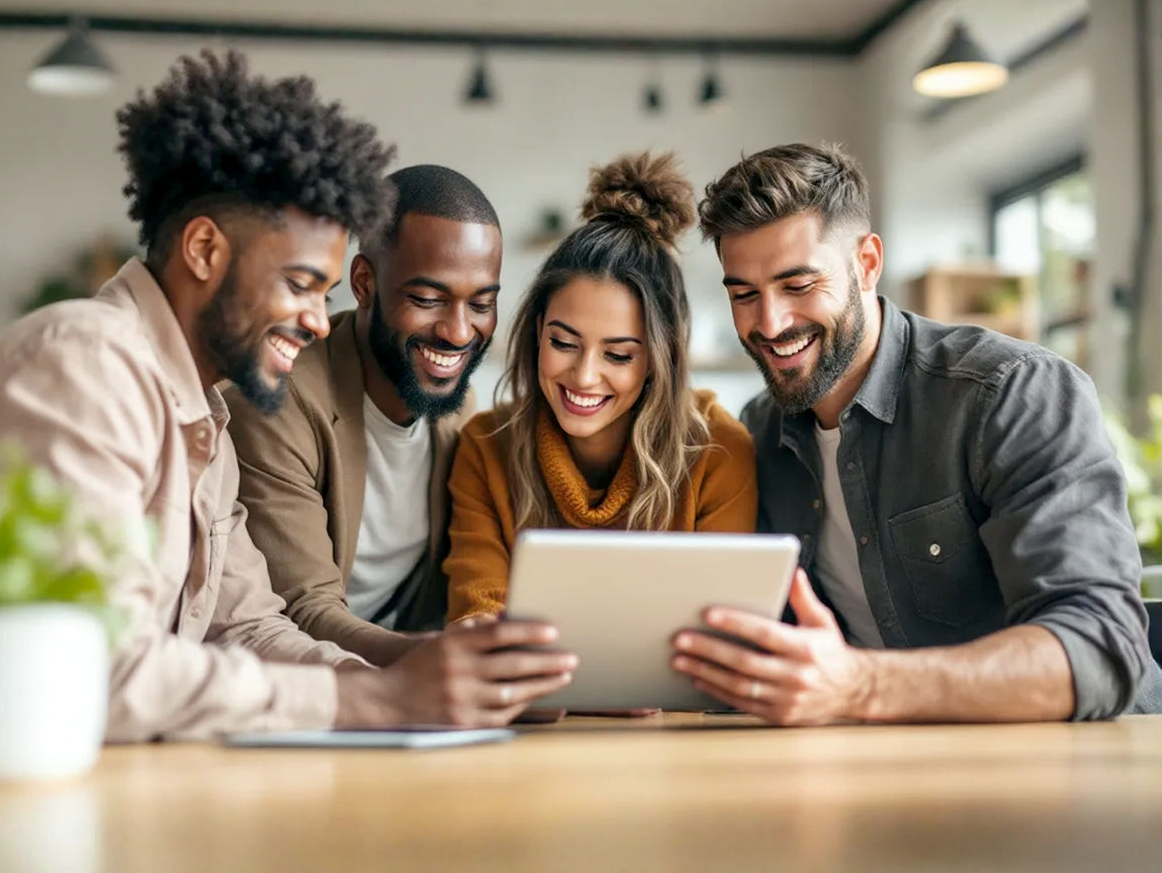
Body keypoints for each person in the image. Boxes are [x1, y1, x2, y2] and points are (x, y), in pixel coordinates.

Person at [0, 51, 576, 767]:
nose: (320, 319)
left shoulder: (202, 410)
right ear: (206, 251)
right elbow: (95, 671)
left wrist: (431, 673)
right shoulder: (82, 362)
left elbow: (247, 626)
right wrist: (374, 697)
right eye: (302, 284)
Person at [671, 141, 1162, 725]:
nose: (771, 323)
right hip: (882, 769)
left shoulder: (1009, 393)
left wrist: (860, 687)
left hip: (1085, 770)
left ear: (867, 264)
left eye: (798, 285)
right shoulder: (756, 434)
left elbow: (1103, 648)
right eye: (744, 295)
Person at [443, 152, 757, 623]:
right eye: (563, 343)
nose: (585, 376)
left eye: (618, 355)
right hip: (528, 696)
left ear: (659, 359)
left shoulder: (719, 451)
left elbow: (723, 631)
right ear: (537, 332)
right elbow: (477, 612)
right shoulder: (486, 448)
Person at [226, 166, 501, 666]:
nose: (459, 332)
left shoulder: (458, 409)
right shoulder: (274, 401)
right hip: (309, 690)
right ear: (364, 282)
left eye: (481, 303)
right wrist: (432, 659)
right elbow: (303, 609)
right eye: (428, 299)